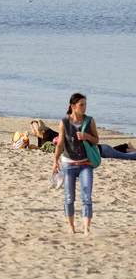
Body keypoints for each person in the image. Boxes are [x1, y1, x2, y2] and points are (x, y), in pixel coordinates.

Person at [52, 93, 98, 236]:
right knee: (69, 197)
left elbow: (96, 140)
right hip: (68, 164)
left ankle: (86, 228)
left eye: (85, 104)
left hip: (86, 163)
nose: (84, 108)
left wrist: (87, 137)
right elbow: (60, 144)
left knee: (87, 197)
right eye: (81, 105)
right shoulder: (64, 123)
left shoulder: (90, 121)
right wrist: (55, 161)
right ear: (73, 106)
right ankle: (71, 226)